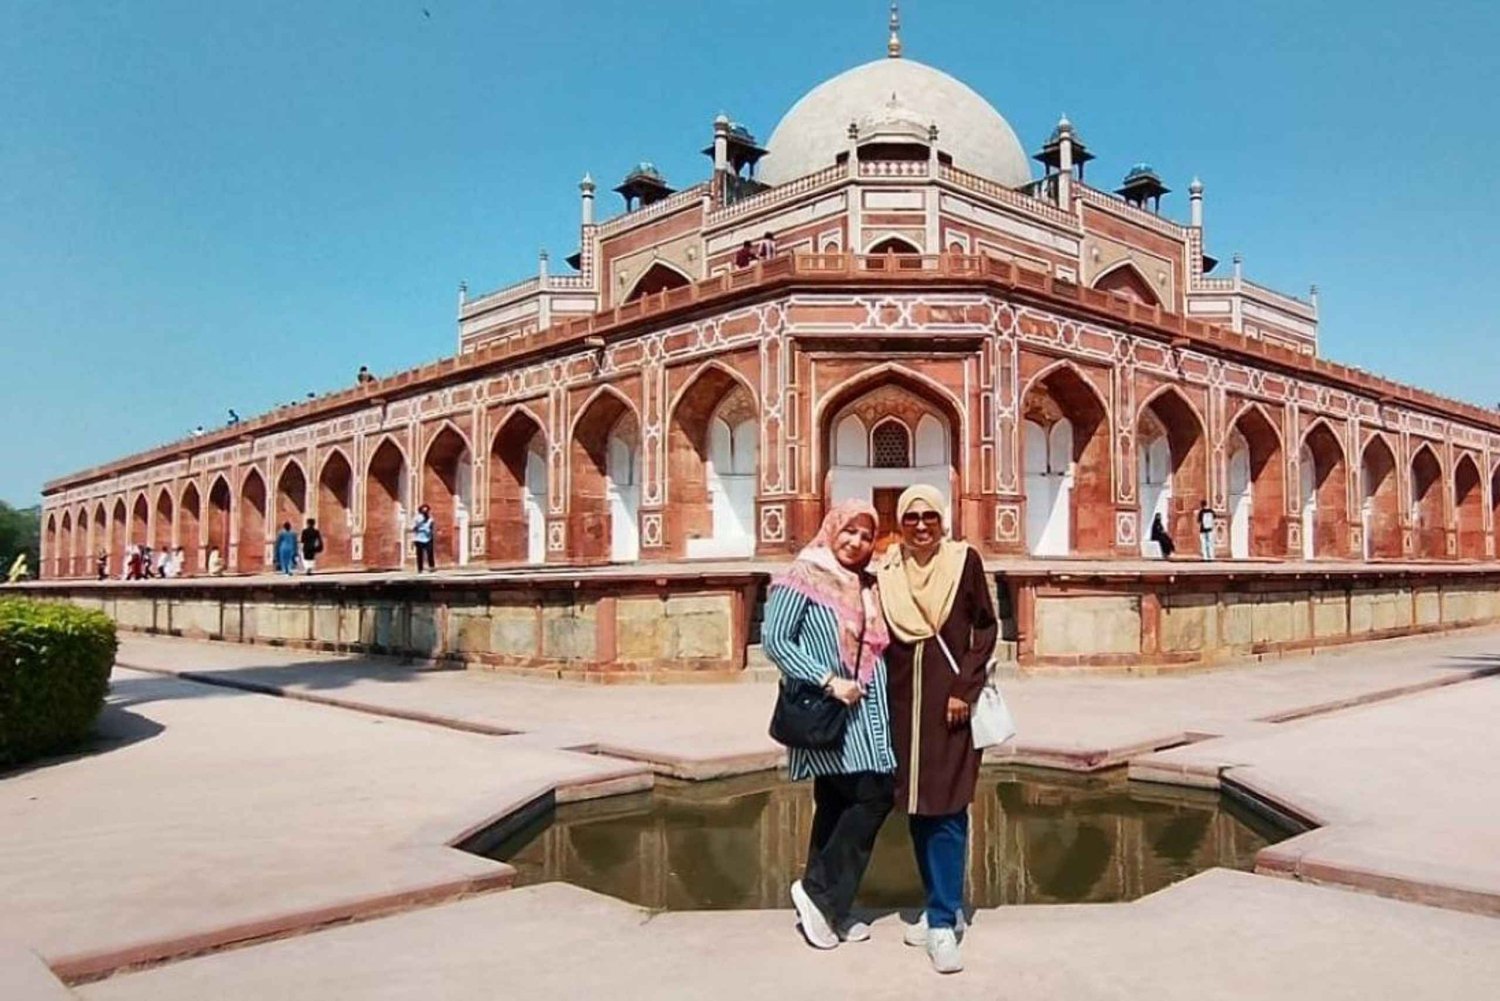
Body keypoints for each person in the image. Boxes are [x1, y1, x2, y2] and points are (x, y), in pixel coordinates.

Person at [876, 485, 998, 976]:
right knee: (918, 808)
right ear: (901, 524)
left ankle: (945, 921)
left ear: (943, 520)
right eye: (912, 518)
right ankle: (934, 906)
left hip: (950, 707)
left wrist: (963, 690)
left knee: (948, 809)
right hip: (904, 705)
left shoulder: (962, 562)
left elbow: (985, 627)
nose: (922, 525)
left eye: (930, 516)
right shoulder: (887, 569)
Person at [763, 500, 894, 951]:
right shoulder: (803, 574)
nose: (856, 542)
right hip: (831, 708)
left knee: (839, 805)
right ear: (831, 528)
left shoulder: (867, 581)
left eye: (865, 535)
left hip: (868, 710)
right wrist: (827, 680)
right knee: (873, 798)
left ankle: (830, 907)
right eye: (849, 532)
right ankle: (820, 896)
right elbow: (775, 640)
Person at [412, 505, 436, 572]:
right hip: (419, 538)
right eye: (424, 510)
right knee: (420, 554)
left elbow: (432, 526)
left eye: (427, 510)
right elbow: (414, 528)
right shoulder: (417, 518)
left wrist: (431, 533)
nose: (425, 512)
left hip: (428, 537)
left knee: (430, 552)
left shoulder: (430, 518)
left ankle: (431, 567)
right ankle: (420, 568)